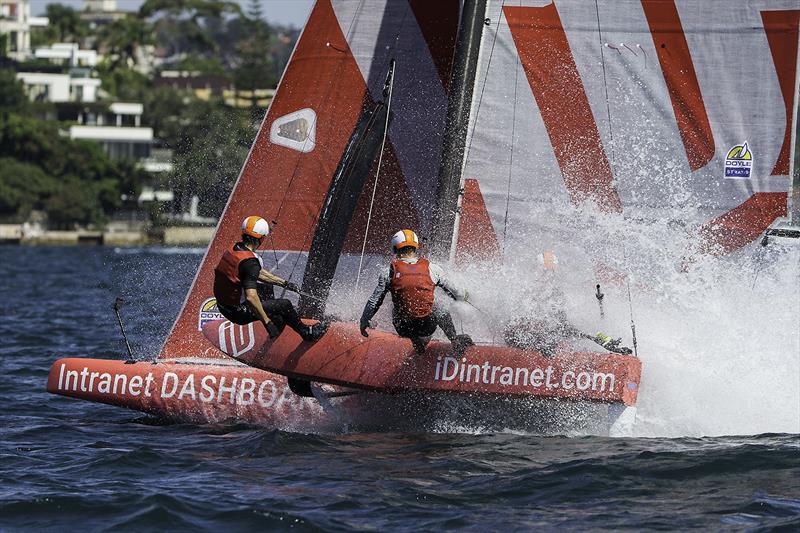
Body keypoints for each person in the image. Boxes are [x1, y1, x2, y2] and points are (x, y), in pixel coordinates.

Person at [213, 215, 327, 342]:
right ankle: (306, 332)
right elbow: (251, 297)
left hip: (222, 306)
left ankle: (278, 320)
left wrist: (284, 283)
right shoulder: (251, 262)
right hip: (238, 313)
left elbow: (256, 274)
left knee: (266, 289)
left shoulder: (235, 249)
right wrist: (267, 323)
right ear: (261, 238)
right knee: (285, 305)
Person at [360, 229, 473, 354]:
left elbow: (374, 301)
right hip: (427, 326)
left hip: (403, 329)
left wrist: (364, 321)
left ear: (395, 249)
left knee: (396, 307)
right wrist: (466, 297)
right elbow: (458, 293)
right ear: (416, 247)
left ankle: (414, 339)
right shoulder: (432, 268)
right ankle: (454, 340)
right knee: (438, 305)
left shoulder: (388, 272)